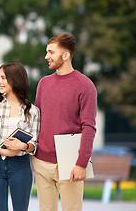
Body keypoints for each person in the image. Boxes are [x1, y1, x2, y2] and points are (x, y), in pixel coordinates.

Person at [32, 33, 97, 211]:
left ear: (66, 55)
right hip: (41, 161)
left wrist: (81, 163)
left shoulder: (85, 85)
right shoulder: (43, 84)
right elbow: (36, 121)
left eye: (51, 52)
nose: (47, 56)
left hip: (69, 163)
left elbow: (89, 127)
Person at [0, 62, 40, 211]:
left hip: (20, 166)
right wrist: (4, 151)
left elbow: (34, 143)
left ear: (15, 79)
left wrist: (23, 146)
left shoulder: (33, 111)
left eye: (3, 78)